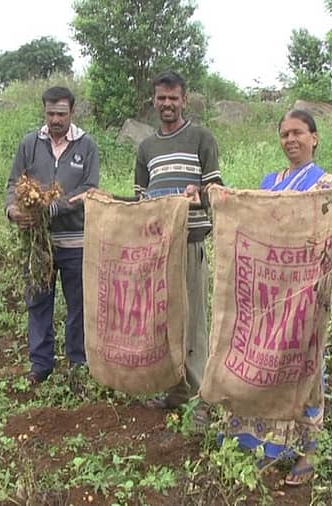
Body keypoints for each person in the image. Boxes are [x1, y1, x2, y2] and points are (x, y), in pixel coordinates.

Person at [224, 110, 332, 486]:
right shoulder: (268, 182)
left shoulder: (326, 184)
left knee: (305, 367)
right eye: (284, 134)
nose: (291, 140)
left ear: (314, 138)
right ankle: (266, 445)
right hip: (266, 292)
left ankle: (308, 451)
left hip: (306, 295)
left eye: (298, 133)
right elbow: (252, 226)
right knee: (266, 362)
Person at [137, 71, 222, 420]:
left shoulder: (201, 137)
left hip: (191, 241)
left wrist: (197, 195)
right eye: (162, 98)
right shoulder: (147, 148)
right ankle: (174, 392)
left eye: (174, 98)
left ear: (185, 100)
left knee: (194, 323)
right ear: (154, 101)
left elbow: (216, 193)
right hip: (159, 248)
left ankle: (201, 397)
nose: (167, 104)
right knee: (165, 321)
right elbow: (141, 199)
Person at [5, 86, 99, 387]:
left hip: (75, 241)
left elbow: (89, 189)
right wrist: (12, 210)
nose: (55, 119)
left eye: (61, 113)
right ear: (44, 112)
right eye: (50, 113)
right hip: (37, 243)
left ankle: (77, 364)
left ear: (72, 112)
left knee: (77, 306)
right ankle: (41, 365)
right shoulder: (30, 143)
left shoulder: (87, 146)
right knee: (38, 302)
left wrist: (53, 208)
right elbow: (12, 183)